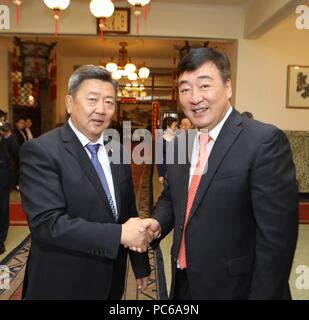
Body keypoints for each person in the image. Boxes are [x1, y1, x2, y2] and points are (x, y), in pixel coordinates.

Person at [141, 47, 298, 299]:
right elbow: (173, 196)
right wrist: (158, 222)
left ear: (228, 87)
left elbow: (277, 241)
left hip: (236, 289)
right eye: (185, 89)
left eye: (204, 85)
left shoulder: (263, 141)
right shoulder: (181, 143)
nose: (194, 98)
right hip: (183, 281)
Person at [19, 65, 151, 299]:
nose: (101, 109)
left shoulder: (116, 150)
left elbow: (127, 211)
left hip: (111, 278)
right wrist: (119, 234)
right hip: (62, 282)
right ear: (70, 103)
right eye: (92, 99)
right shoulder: (41, 151)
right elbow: (47, 224)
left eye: (109, 102)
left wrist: (140, 265)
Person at [0, 123, 19, 254]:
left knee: (2, 209)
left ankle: (0, 239)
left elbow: (17, 152)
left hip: (2, 178)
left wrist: (7, 135)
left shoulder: (7, 139)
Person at [156, 116, 178, 185]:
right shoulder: (161, 140)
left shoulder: (178, 137)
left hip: (178, 170)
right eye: (175, 126)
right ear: (168, 126)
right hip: (167, 171)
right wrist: (160, 175)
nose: (176, 128)